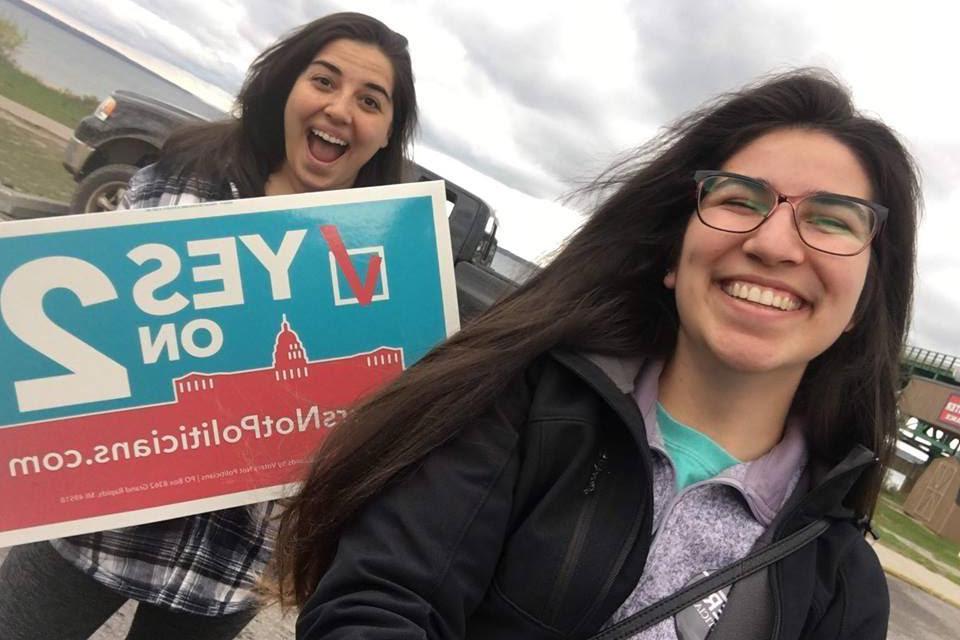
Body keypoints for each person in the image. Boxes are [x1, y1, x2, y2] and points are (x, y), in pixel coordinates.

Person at [274, 69, 919, 639]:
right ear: (674, 255)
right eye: (737, 200)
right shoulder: (513, 405)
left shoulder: (844, 588)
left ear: (863, 301)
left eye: (834, 221)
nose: (774, 243)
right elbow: (378, 604)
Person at [0, 11, 417, 640]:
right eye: (324, 81)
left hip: (227, 570)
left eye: (369, 100)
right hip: (87, 527)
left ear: (387, 133)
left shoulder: (392, 263)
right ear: (288, 87)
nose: (339, 109)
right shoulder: (183, 185)